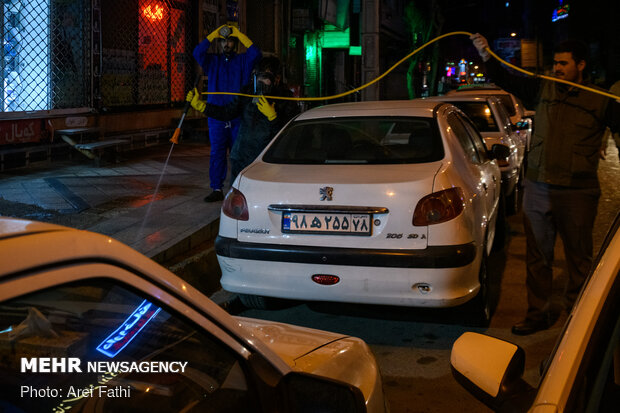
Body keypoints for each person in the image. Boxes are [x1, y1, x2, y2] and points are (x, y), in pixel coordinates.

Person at [471, 34, 620, 335]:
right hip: (539, 188)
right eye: (555, 63)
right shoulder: (543, 88)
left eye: (564, 63)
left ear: (581, 65)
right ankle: (537, 313)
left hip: (578, 192)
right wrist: (486, 55)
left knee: (579, 259)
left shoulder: (601, 100)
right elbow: (508, 79)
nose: (558, 68)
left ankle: (579, 319)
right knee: (538, 257)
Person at [186, 56, 300, 180]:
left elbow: (289, 136)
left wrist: (273, 117)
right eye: (258, 77)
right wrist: (201, 106)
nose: (261, 82)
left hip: (267, 160)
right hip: (242, 158)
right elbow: (227, 113)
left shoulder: (286, 100)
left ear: (277, 79)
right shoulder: (247, 92)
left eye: (266, 77)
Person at [193, 24, 261, 202]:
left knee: (238, 154)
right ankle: (216, 189)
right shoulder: (212, 61)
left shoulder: (242, 61)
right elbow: (197, 53)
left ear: (236, 43)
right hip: (216, 115)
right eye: (223, 41)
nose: (226, 45)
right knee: (217, 153)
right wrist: (212, 35)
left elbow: (256, 53)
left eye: (230, 41)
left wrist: (239, 33)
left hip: (237, 115)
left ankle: (239, 189)